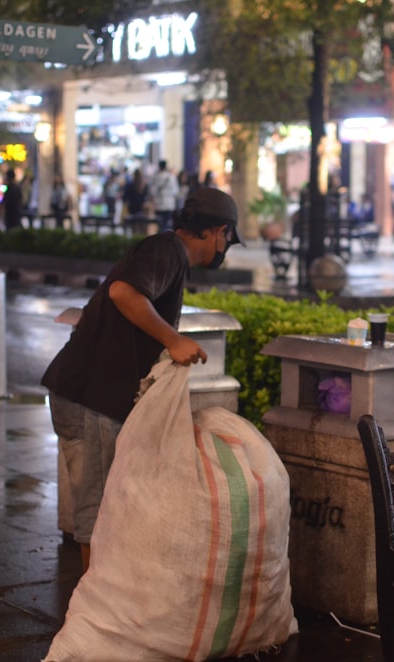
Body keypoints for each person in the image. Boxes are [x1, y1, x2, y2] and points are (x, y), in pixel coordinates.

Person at [41, 187, 244, 571]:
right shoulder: (166, 250)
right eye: (228, 238)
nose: (226, 246)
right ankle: (94, 612)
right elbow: (123, 292)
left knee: (106, 508)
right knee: (96, 513)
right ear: (218, 231)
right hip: (89, 399)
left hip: (90, 396)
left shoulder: (169, 254)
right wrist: (174, 339)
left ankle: (101, 602)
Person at [151, 159, 180, 230]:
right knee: (167, 224)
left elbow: (152, 191)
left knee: (159, 224)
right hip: (169, 204)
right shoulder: (171, 177)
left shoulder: (155, 177)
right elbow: (176, 191)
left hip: (158, 204)